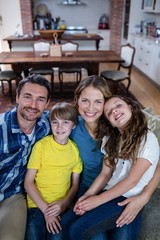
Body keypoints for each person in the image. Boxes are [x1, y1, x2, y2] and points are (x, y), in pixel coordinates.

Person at [69, 95, 160, 240]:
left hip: (129, 197)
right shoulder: (110, 139)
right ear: (110, 122)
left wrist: (98, 201)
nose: (114, 112)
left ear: (130, 107)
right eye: (109, 112)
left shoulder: (146, 138)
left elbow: (132, 181)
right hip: (110, 193)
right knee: (79, 228)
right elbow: (105, 174)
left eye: (118, 105)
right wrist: (88, 195)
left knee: (79, 230)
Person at [0, 74, 51, 240]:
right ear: (17, 98)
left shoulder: (46, 124)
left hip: (14, 195)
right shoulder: (2, 128)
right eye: (27, 97)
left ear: (47, 104)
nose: (33, 105)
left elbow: (75, 118)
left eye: (40, 99)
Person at [24, 102, 82, 240]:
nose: (59, 127)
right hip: (37, 205)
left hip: (61, 206)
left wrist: (65, 202)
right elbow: (28, 182)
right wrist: (46, 210)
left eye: (65, 122)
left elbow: (75, 185)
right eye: (55, 122)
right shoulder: (41, 147)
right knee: (33, 234)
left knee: (57, 236)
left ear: (73, 125)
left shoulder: (74, 150)